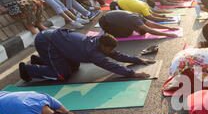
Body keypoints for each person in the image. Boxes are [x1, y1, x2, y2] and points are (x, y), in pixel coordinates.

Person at [18, 28, 154, 82]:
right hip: (45, 41)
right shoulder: (93, 53)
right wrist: (132, 74)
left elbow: (116, 55)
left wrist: (138, 60)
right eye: (110, 50)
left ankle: (41, 60)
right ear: (103, 46)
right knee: (61, 75)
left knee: (74, 67)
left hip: (56, 41)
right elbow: (111, 65)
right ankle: (28, 69)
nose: (112, 52)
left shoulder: (99, 41)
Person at [98, 10, 178, 38]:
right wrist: (168, 34)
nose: (136, 31)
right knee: (126, 33)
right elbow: (150, 30)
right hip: (104, 22)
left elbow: (152, 24)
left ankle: (112, 27)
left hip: (109, 16)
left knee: (129, 30)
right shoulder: (136, 20)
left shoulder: (139, 17)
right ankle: (107, 31)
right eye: (138, 31)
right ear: (139, 28)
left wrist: (169, 28)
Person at [109, 0, 176, 23]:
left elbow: (153, 14)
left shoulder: (145, 5)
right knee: (118, 18)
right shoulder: (144, 8)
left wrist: (163, 16)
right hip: (115, 4)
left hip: (121, 0)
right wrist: (166, 19)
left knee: (126, 16)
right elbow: (152, 18)